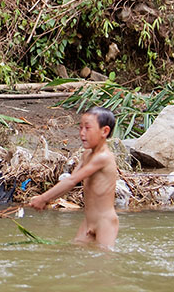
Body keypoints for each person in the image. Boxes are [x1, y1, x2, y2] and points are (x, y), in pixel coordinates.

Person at [28, 106, 119, 249]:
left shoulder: (103, 157)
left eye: (87, 128)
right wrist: (47, 199)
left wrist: (43, 198)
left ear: (104, 131)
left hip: (105, 223)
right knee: (75, 253)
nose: (82, 133)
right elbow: (70, 179)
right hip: (88, 221)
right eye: (80, 127)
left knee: (102, 264)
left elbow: (72, 181)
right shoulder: (87, 154)